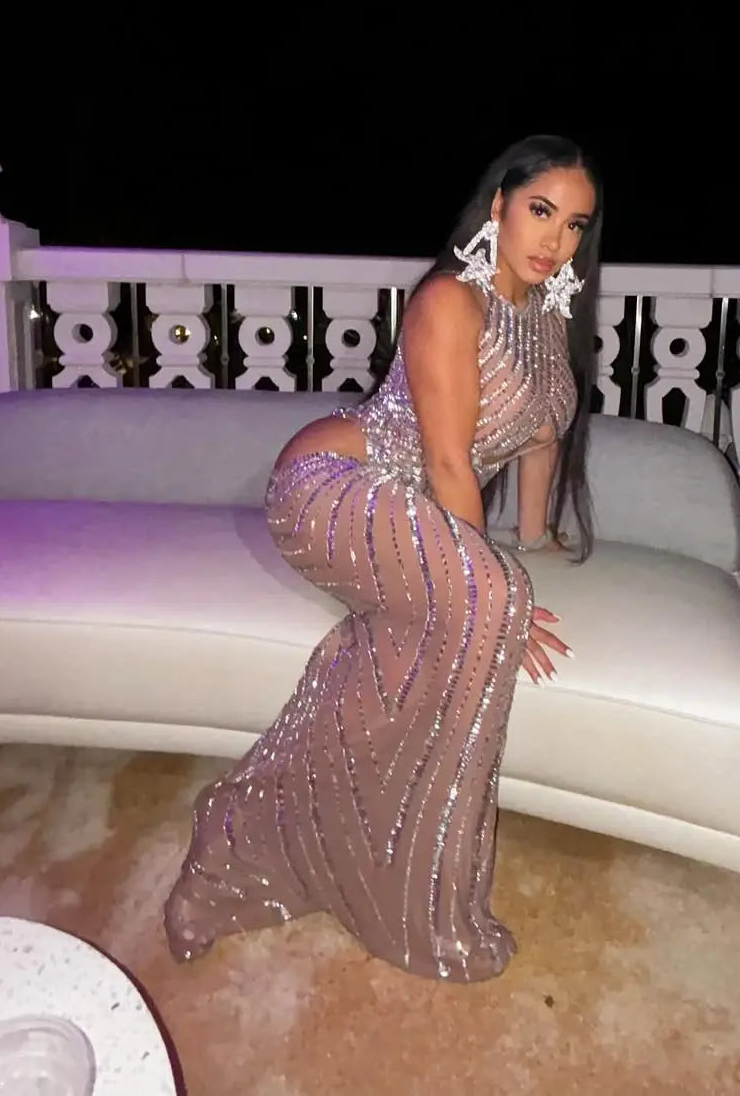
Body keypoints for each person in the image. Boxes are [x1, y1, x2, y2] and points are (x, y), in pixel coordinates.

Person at [164, 134, 604, 983]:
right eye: (541, 210)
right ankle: (230, 860)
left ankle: (334, 844)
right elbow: (446, 462)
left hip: (415, 518)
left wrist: (534, 539)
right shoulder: (450, 301)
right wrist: (488, 589)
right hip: (333, 487)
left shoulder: (548, 319)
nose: (556, 239)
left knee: (455, 622)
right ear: (499, 205)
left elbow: (542, 436)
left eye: (575, 224)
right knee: (485, 611)